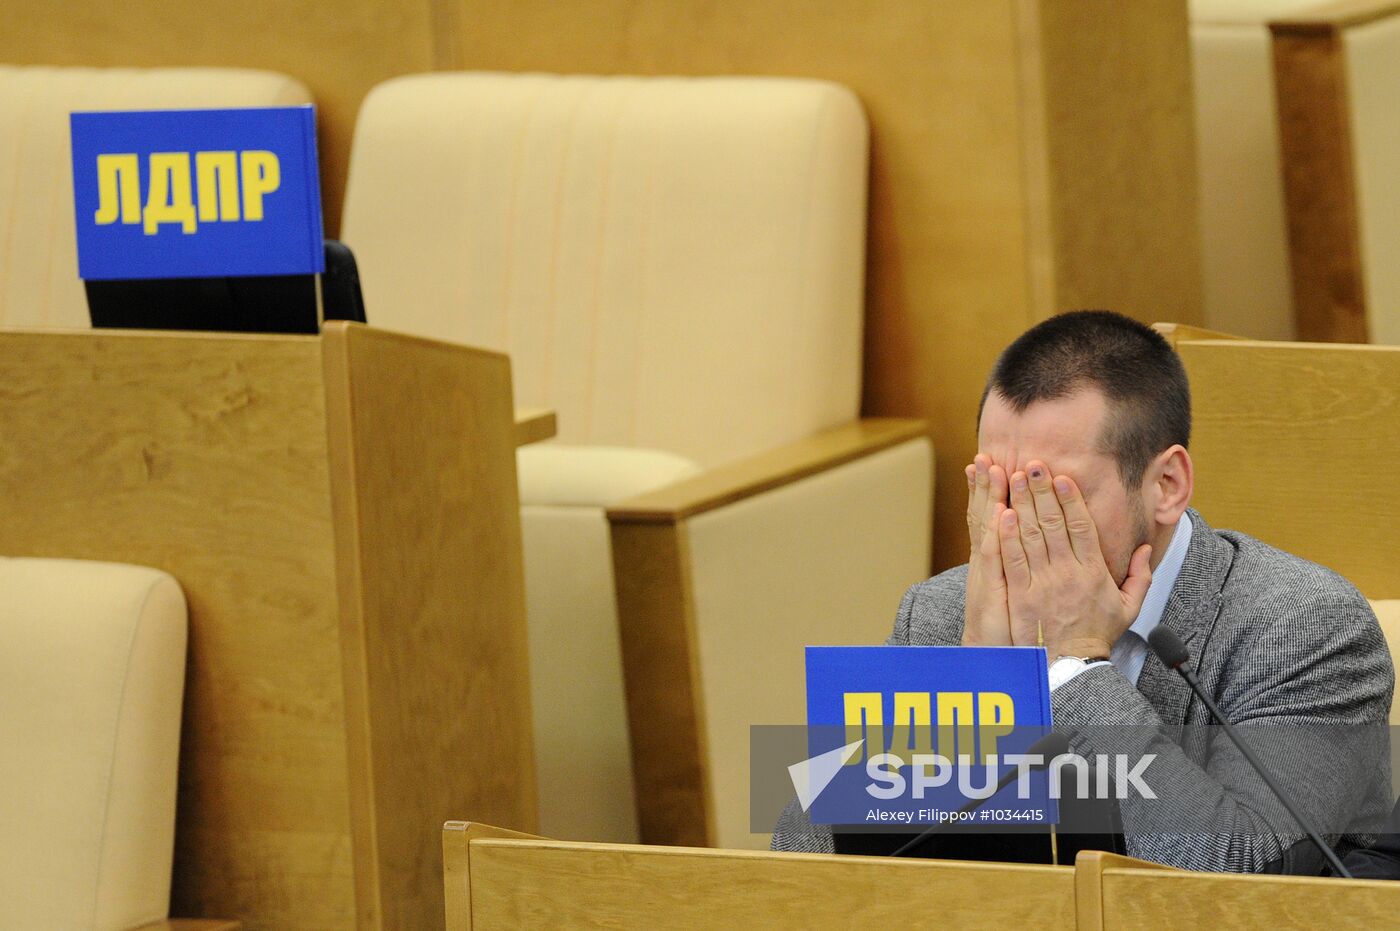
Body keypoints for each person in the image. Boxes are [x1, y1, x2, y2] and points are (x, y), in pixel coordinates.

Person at [772, 310, 1394, 872]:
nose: (1020, 528)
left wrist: (1074, 665)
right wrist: (970, 684)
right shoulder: (939, 613)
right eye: (1002, 492)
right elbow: (801, 867)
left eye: (1054, 494)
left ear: (1167, 485)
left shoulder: (1306, 627)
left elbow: (1235, 876)